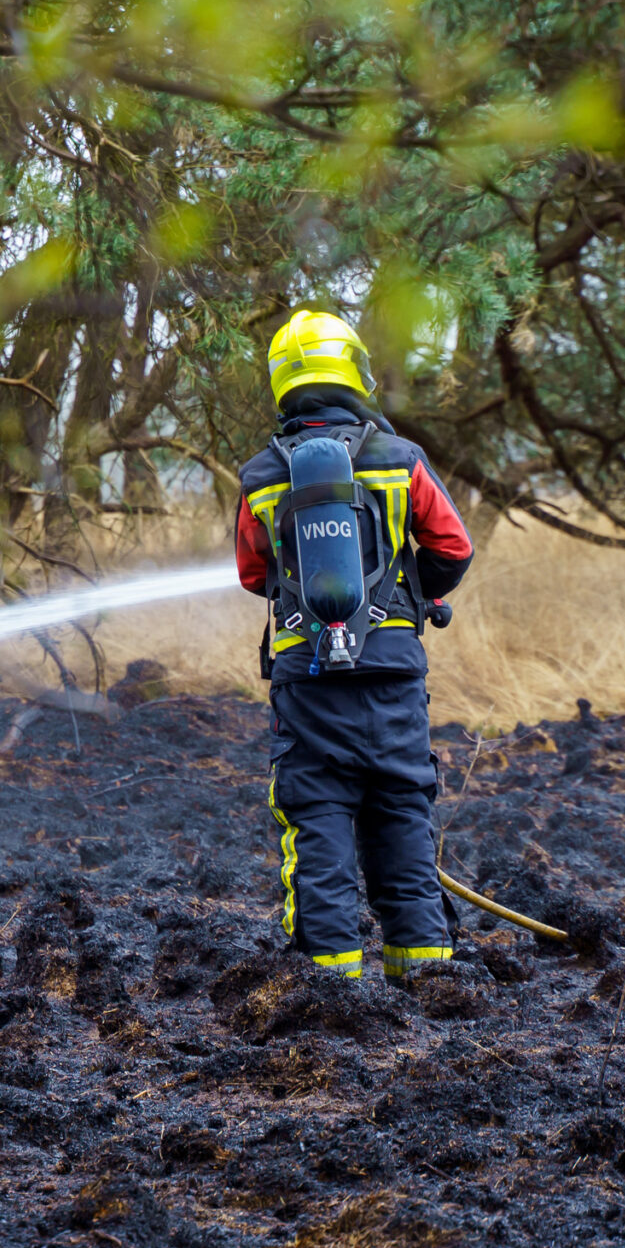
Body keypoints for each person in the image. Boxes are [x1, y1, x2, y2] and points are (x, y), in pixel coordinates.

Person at [234, 309, 474, 982]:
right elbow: (455, 546)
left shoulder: (261, 476)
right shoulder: (401, 461)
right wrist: (409, 592)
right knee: (401, 809)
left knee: (316, 819)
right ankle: (427, 977)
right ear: (353, 368)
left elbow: (255, 576)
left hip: (307, 681)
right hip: (394, 674)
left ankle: (330, 987)